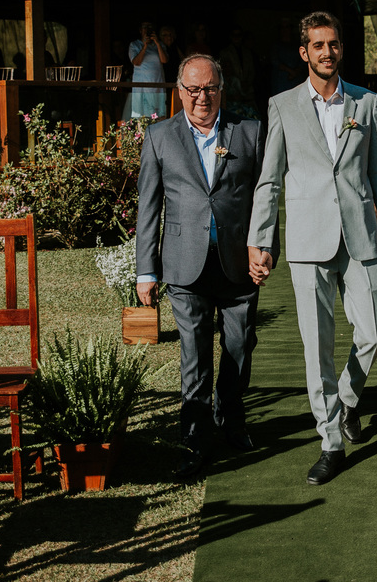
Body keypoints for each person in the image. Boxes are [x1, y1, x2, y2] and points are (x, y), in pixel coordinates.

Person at [247, 10, 377, 486]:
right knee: (317, 348)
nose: (327, 52)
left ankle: (348, 401)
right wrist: (261, 239)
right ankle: (331, 443)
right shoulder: (282, 105)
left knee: (375, 330)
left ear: (341, 48)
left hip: (359, 235)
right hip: (308, 239)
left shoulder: (365, 102)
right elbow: (269, 180)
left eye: (333, 44)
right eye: (317, 45)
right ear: (304, 52)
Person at [136, 53, 269, 478]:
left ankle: (231, 417)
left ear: (221, 90)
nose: (201, 97)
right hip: (184, 265)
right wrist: (146, 271)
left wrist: (264, 246)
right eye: (193, 89)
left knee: (239, 347)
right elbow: (148, 207)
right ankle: (194, 439)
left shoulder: (249, 132)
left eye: (209, 88)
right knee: (194, 354)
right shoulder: (159, 136)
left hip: (237, 265)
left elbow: (266, 199)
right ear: (179, 92)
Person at [129, 21, 169, 118]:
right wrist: (145, 46)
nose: (147, 30)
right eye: (145, 27)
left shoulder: (160, 45)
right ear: (140, 30)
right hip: (142, 86)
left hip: (157, 84)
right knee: (142, 116)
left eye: (150, 27)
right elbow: (136, 62)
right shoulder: (135, 45)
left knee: (158, 115)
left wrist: (157, 43)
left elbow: (164, 60)